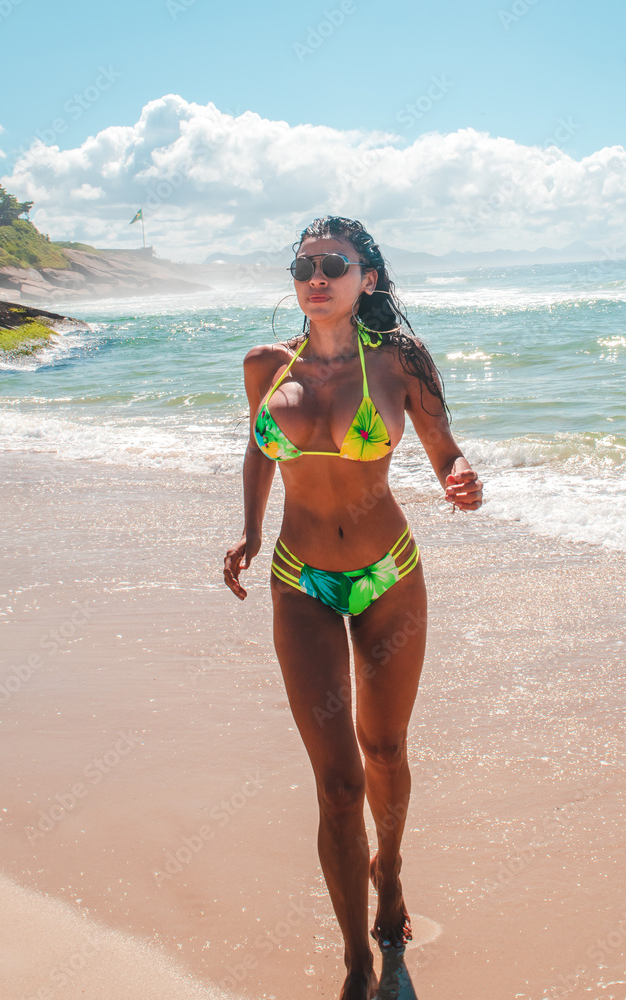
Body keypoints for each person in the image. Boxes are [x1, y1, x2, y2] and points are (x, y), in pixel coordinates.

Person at [224, 216, 482, 1000]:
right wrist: (247, 530)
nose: (316, 276)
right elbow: (258, 449)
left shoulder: (402, 363)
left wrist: (462, 478)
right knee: (336, 785)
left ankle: (392, 873)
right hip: (299, 578)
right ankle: (356, 963)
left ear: (367, 277)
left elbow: (445, 450)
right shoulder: (265, 365)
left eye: (334, 263)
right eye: (303, 264)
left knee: (384, 751)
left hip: (388, 576)